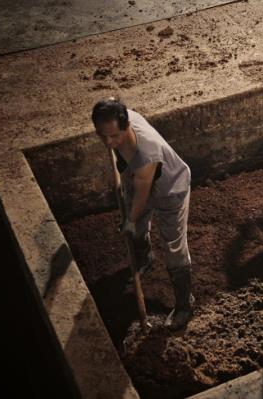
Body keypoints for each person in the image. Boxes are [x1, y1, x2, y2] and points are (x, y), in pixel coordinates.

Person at [91, 98, 194, 330]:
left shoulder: (147, 154)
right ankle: (145, 259)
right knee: (136, 226)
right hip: (137, 179)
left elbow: (142, 196)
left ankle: (185, 304)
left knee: (174, 246)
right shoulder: (119, 117)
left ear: (127, 126)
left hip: (170, 189)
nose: (108, 142)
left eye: (114, 136)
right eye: (102, 136)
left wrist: (129, 219)